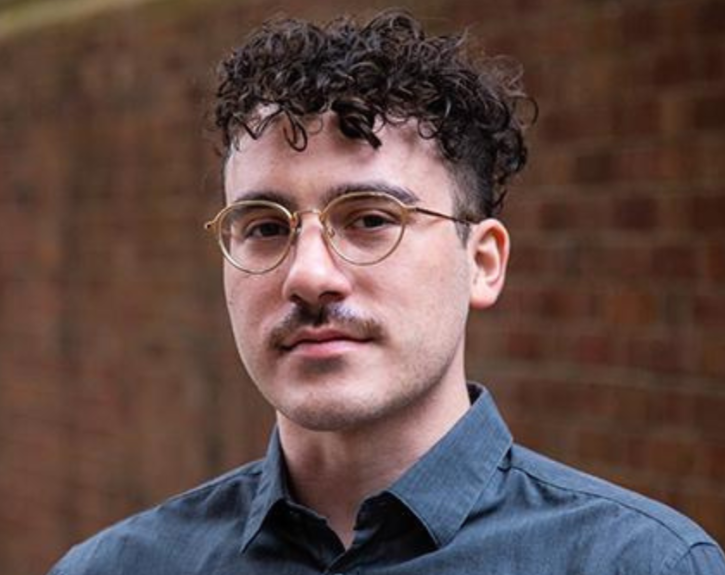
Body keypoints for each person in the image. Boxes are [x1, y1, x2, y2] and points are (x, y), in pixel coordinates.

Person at [49, 10, 724, 575]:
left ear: (483, 262)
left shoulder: (640, 562)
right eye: (262, 227)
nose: (309, 275)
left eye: (371, 219)